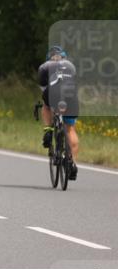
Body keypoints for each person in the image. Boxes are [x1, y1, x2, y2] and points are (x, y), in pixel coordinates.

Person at [39, 45, 80, 180]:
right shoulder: (71, 65)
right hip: (70, 95)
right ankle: (71, 163)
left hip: (53, 93)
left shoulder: (45, 66)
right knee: (70, 129)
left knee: (45, 105)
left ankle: (48, 130)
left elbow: (44, 90)